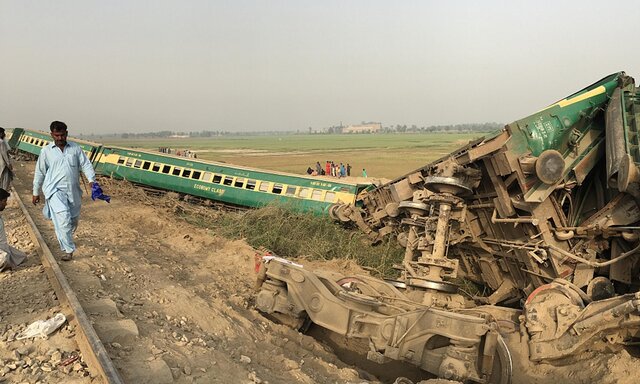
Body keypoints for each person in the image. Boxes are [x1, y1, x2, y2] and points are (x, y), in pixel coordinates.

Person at [32, 121, 96, 261]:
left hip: (73, 191)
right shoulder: (46, 151)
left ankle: (66, 236)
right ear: (52, 135)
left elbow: (86, 164)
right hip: (54, 190)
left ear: (66, 133)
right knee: (64, 219)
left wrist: (91, 180)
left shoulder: (75, 149)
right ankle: (68, 250)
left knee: (72, 220)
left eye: (62, 135)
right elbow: (40, 172)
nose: (60, 138)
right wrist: (35, 192)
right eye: (57, 135)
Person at [0, 188, 26, 271]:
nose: (6, 204)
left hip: (3, 247)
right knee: (4, 259)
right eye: (4, 201)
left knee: (21, 256)